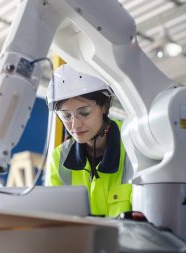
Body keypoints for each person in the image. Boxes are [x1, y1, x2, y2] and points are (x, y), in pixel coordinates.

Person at [45, 64, 133, 217]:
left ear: (105, 106)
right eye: (66, 116)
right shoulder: (59, 158)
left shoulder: (135, 145)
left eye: (84, 112)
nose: (75, 125)